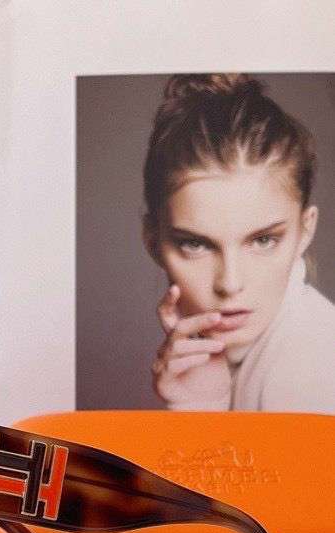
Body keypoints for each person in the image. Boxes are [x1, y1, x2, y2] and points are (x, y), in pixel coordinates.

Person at [143, 73, 335, 413]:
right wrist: (201, 405)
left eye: (264, 240)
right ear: (153, 242)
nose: (230, 284)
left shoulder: (308, 371)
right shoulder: (236, 358)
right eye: (196, 245)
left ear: (305, 231)